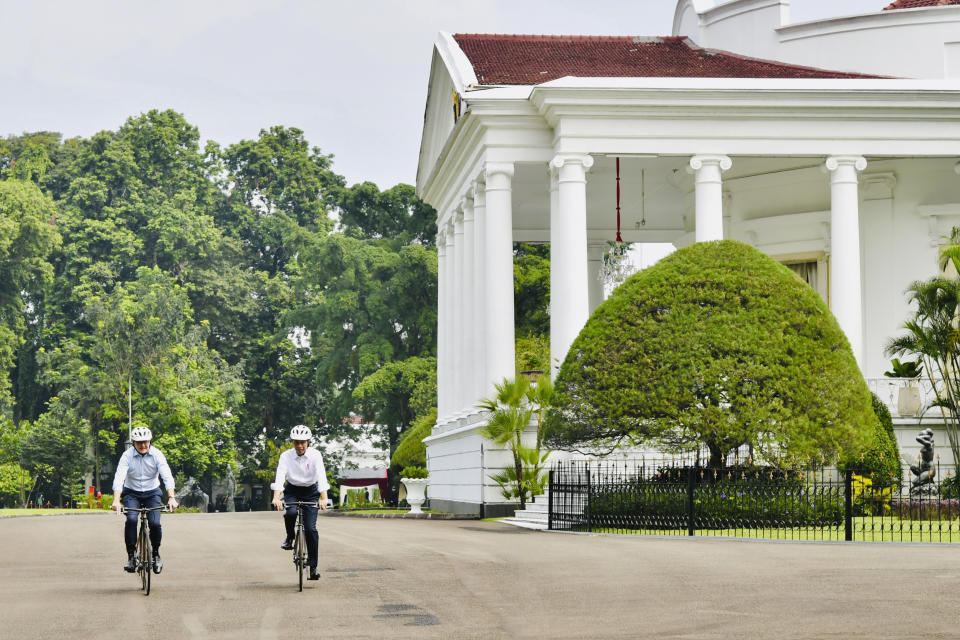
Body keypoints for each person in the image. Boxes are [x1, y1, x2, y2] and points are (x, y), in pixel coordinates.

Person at [111, 426, 178, 574]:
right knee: (132, 520)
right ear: (134, 443)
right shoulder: (127, 456)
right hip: (131, 494)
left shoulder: (157, 455)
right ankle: (131, 557)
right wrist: (116, 500)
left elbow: (166, 475)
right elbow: (119, 477)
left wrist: (171, 497)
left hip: (152, 493)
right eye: (139, 442)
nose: (143, 445)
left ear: (150, 441)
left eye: (145, 442)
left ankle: (155, 554)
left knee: (155, 523)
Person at [271, 425, 329, 581]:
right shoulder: (285, 456)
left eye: (303, 442)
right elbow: (280, 477)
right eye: (296, 442)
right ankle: (290, 537)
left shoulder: (316, 455)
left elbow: (322, 477)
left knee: (310, 529)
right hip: (292, 491)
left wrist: (324, 498)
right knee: (290, 513)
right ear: (292, 442)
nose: (300, 446)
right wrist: (277, 497)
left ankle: (313, 566)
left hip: (311, 492)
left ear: (308, 441)